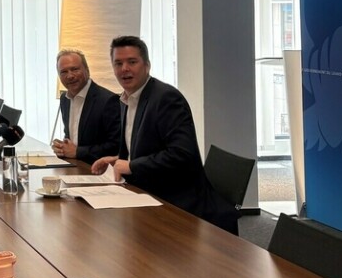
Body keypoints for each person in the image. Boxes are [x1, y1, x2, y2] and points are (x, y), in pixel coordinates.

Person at [91, 35, 239, 234]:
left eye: (132, 62)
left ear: (147, 65)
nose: (124, 68)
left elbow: (181, 154)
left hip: (178, 204)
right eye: (118, 63)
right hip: (148, 193)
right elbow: (150, 146)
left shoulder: (166, 98)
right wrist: (117, 159)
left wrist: (131, 166)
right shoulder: (126, 100)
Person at [51, 48, 121, 165]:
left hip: (99, 170)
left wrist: (78, 152)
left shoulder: (108, 100)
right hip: (73, 167)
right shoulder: (65, 99)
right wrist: (62, 148)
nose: (70, 76)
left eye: (75, 69)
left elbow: (116, 146)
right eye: (63, 72)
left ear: (87, 70)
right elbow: (72, 137)